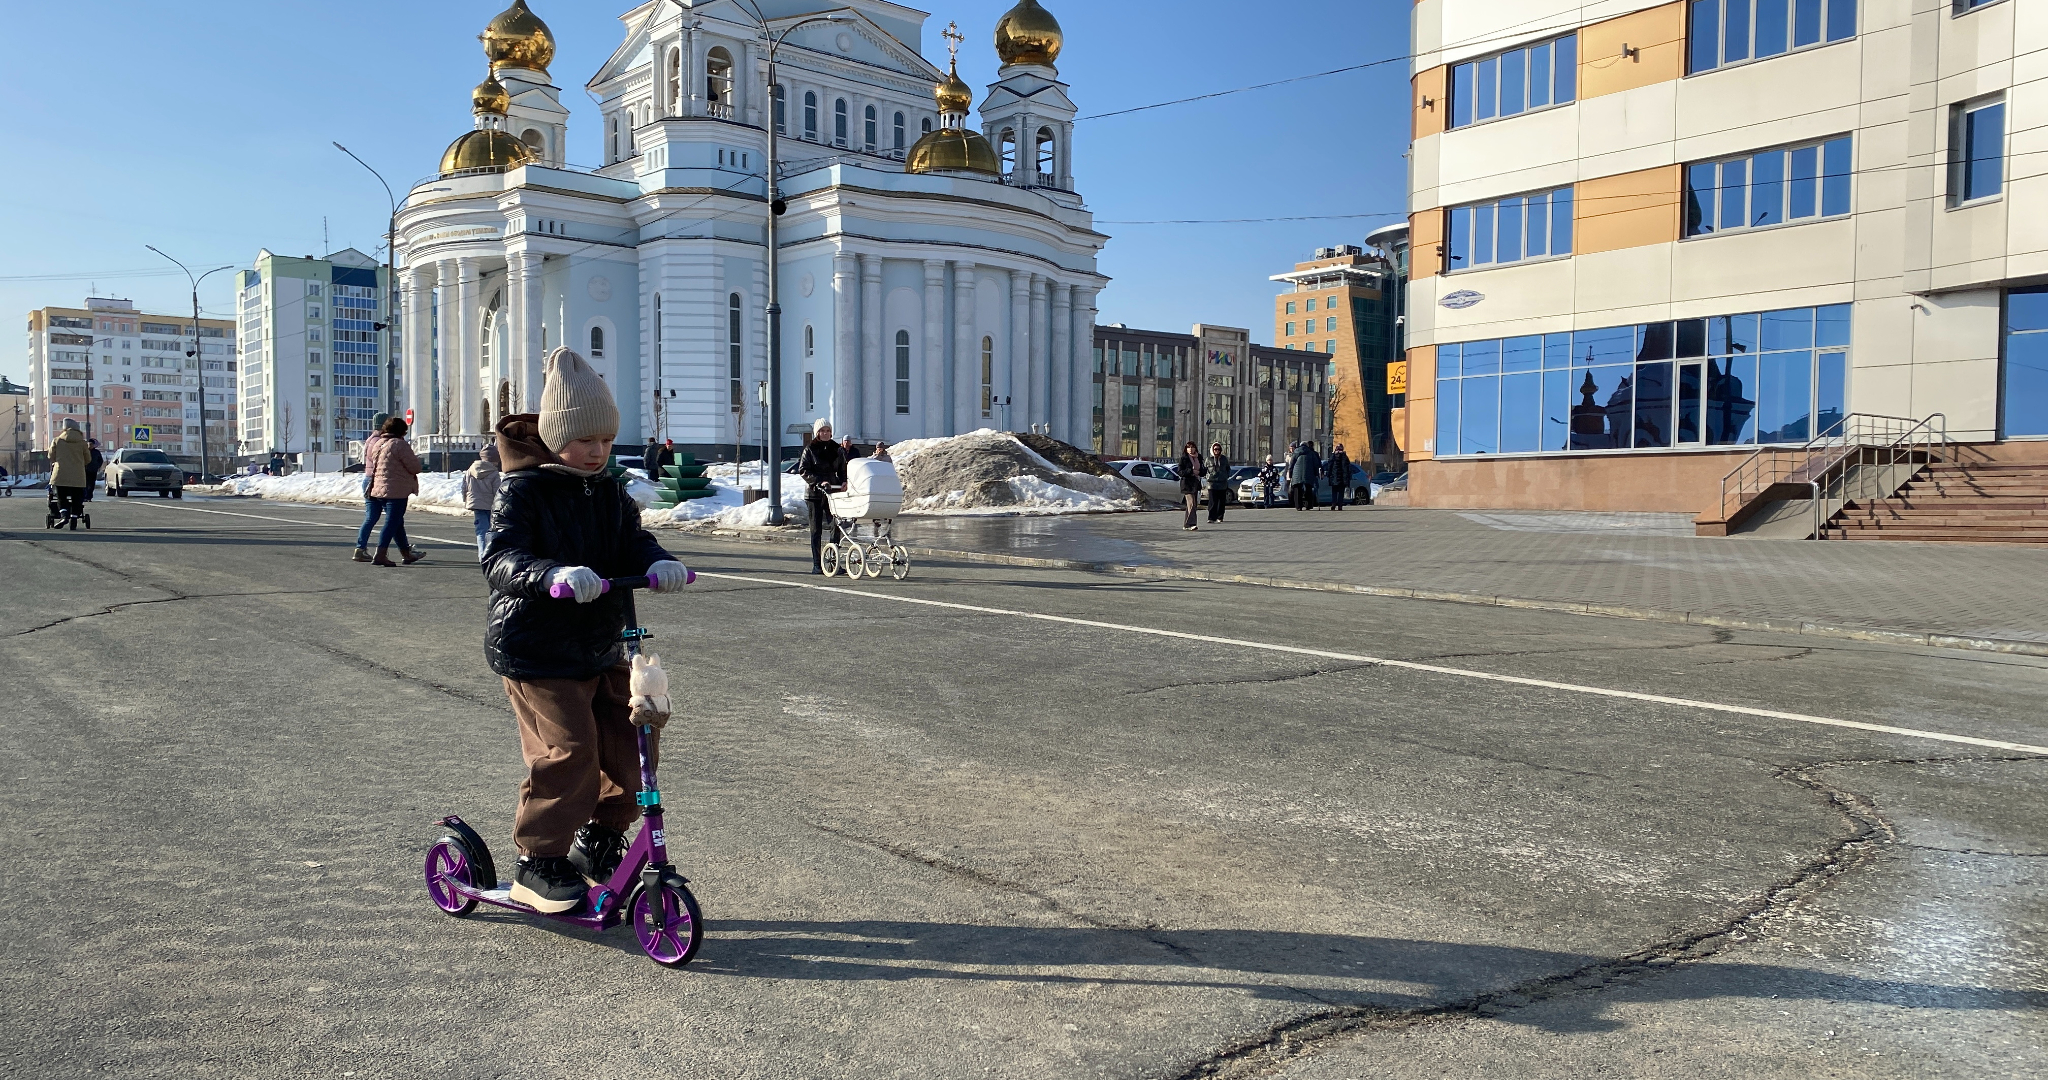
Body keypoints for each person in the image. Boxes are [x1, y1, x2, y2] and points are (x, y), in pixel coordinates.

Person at [482, 346, 692, 914]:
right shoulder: (523, 488)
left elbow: (634, 542)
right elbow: (500, 557)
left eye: (605, 440)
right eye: (584, 441)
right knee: (570, 752)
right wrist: (549, 573)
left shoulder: (609, 489)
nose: (597, 452)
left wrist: (657, 561)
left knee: (631, 747)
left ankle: (599, 840)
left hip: (602, 641)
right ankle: (538, 861)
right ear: (555, 438)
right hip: (537, 647)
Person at [361, 416, 427, 566]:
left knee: (397, 522)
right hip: (396, 490)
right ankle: (380, 554)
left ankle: (406, 553)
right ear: (401, 431)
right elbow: (415, 467)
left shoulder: (379, 443)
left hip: (379, 489)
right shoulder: (399, 445)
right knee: (392, 522)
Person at [799, 419, 848, 573]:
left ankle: (833, 562)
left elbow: (843, 469)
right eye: (822, 431)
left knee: (836, 525)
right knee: (816, 530)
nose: (825, 433)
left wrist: (844, 481)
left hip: (832, 493)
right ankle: (816, 564)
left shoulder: (837, 449)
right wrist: (819, 481)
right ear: (817, 433)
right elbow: (803, 470)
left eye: (827, 430)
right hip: (814, 493)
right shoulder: (810, 449)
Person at [462, 442, 503, 561]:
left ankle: (482, 554)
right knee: (491, 529)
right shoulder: (494, 473)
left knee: (481, 530)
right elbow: (497, 491)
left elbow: (464, 486)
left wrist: (466, 499)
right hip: (490, 504)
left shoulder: (470, 469)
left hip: (476, 504)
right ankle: (487, 555)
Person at [48, 419, 90, 520]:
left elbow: (50, 456)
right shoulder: (82, 443)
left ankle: (64, 514)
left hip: (60, 474)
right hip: (78, 476)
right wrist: (79, 464)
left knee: (61, 496)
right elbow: (88, 459)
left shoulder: (57, 440)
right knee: (77, 497)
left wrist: (57, 462)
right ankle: (74, 515)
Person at [1175, 440, 1203, 531]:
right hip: (1187, 484)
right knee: (1192, 503)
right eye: (1188, 447)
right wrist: (1191, 471)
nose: (1190, 449)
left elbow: (1202, 470)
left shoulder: (1199, 458)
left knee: (1191, 505)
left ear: (1195, 448)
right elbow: (1180, 472)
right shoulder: (1184, 459)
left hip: (1195, 483)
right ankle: (1191, 524)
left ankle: (1186, 525)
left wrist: (1200, 472)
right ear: (1186, 449)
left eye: (1192, 447)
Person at [1289, 440, 1322, 511]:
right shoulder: (1311, 453)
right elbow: (1316, 464)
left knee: (1297, 489)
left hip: (1297, 474)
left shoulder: (1296, 452)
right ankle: (1308, 505)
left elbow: (1291, 464)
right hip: (1309, 473)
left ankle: (1298, 506)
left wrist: (1290, 474)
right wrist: (1316, 473)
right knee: (1308, 488)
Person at [1206, 442, 1231, 524]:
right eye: (1215, 449)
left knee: (1221, 502)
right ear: (1212, 450)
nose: (1217, 451)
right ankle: (1211, 517)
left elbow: (1228, 469)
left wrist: (1226, 475)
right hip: (1212, 483)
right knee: (1212, 502)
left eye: (1219, 449)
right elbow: (1204, 469)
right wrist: (1208, 477)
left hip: (1222, 483)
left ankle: (1220, 517)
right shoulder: (1209, 459)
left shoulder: (1224, 459)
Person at [1326, 443, 1353, 510]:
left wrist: (1328, 474)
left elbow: (1329, 466)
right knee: (1341, 492)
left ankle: (1333, 504)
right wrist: (1348, 477)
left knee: (1334, 492)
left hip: (1334, 477)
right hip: (1342, 478)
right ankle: (1340, 505)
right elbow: (1348, 468)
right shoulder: (1345, 457)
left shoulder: (1333, 456)